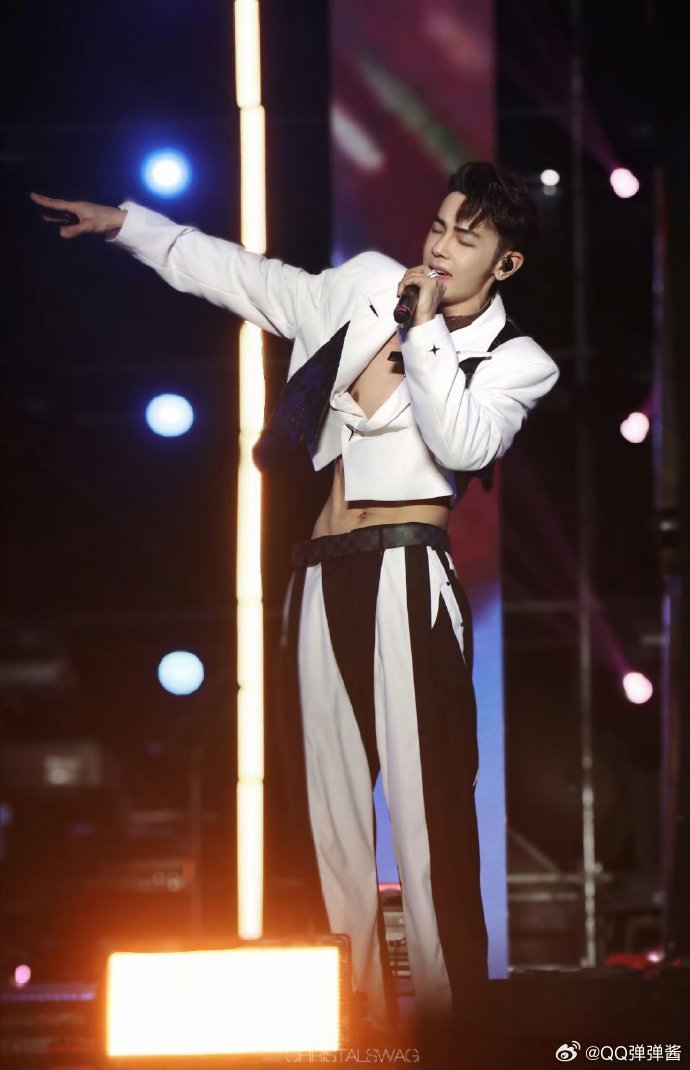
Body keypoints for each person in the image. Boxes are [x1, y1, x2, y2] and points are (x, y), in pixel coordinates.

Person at [30, 163, 559, 1049]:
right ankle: (361, 1036)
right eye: (438, 225)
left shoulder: (518, 360)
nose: (438, 246)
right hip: (319, 571)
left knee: (427, 822)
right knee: (331, 823)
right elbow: (251, 280)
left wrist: (425, 329)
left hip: (407, 572)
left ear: (504, 265)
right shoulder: (366, 287)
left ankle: (452, 1037)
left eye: (465, 239)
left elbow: (462, 441)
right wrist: (129, 226)